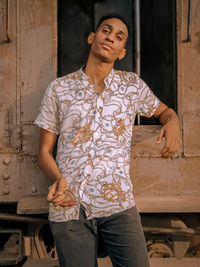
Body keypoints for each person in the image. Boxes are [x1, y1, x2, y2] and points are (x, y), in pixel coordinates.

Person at [34, 14, 180, 267]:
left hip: (118, 203)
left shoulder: (131, 86)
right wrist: (58, 179)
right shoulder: (58, 89)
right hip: (69, 204)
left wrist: (173, 122)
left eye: (118, 36)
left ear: (122, 52)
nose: (110, 37)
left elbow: (163, 111)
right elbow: (44, 152)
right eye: (106, 30)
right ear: (92, 37)